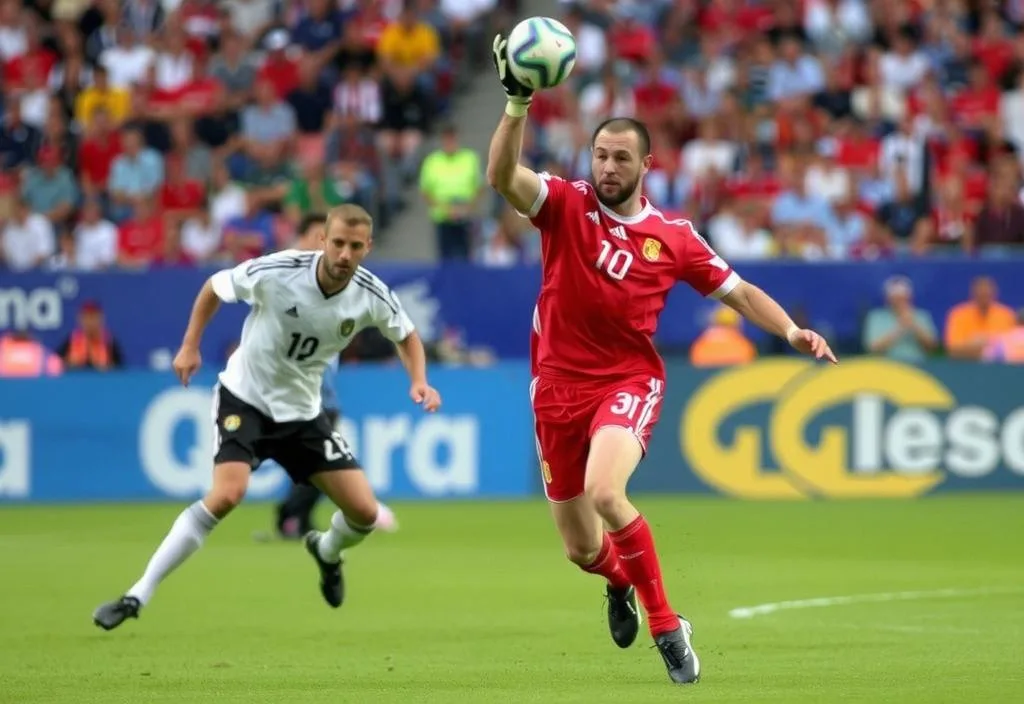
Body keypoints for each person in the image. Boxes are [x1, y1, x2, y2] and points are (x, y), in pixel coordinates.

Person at [486, 34, 838, 685]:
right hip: (556, 387)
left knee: (605, 491)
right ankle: (617, 581)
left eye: (622, 157)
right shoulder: (564, 205)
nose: (608, 166)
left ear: (648, 165)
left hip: (627, 380)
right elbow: (503, 178)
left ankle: (668, 625)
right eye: (600, 154)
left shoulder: (673, 238)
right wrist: (516, 102)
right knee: (581, 547)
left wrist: (789, 330)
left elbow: (739, 291)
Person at [93, 204, 441, 630]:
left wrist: (418, 379)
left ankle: (327, 551)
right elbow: (214, 287)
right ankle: (136, 595)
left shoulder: (370, 293)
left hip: (302, 414)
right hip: (246, 399)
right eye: (337, 244)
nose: (344, 255)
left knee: (365, 515)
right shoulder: (279, 270)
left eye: (354, 246)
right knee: (226, 495)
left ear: (367, 247)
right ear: (322, 241)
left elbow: (406, 335)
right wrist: (190, 345)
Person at [267, 213, 340, 541]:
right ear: (302, 237)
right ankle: (287, 514)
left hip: (326, 394)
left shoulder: (329, 278)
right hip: (301, 392)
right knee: (326, 467)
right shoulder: (286, 276)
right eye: (317, 236)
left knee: (318, 466)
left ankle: (300, 519)